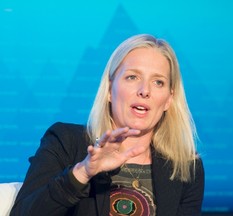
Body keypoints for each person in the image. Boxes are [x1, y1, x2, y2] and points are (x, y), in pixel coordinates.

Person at [10, 34, 204, 216]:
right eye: (132, 77)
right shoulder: (66, 142)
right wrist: (83, 172)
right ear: (110, 89)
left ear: (169, 99)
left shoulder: (186, 168)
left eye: (158, 82)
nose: (145, 90)